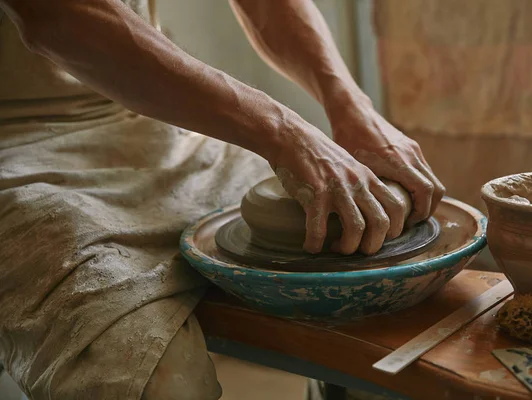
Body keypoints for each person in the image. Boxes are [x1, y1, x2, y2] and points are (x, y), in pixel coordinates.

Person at [0, 0, 444, 398]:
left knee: (389, 290)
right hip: (18, 144)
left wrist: (351, 107)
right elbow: (60, 18)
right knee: (157, 381)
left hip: (150, 118)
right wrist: (286, 132)